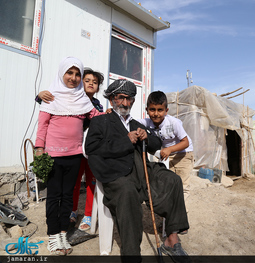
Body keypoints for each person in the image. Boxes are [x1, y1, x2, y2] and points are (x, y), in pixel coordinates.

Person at [85, 80, 190, 260]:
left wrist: (146, 137)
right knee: (128, 193)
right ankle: (132, 255)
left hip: (142, 170)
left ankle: (172, 239)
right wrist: (126, 140)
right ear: (112, 99)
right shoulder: (100, 121)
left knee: (173, 180)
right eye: (121, 98)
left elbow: (156, 144)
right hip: (117, 175)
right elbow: (92, 149)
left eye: (130, 99)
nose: (125, 103)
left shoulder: (135, 123)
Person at [34, 57, 103, 255]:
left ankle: (63, 232)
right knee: (53, 196)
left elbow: (97, 117)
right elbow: (43, 125)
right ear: (62, 74)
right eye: (69, 73)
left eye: (77, 74)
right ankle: (53, 235)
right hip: (53, 156)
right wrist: (39, 149)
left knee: (67, 196)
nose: (73, 78)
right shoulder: (50, 97)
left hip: (75, 156)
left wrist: (112, 114)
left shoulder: (82, 100)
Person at [139, 91, 194, 204]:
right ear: (147, 110)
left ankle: (181, 218)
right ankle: (169, 216)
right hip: (166, 156)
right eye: (152, 109)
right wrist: (112, 113)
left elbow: (185, 142)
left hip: (183, 155)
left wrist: (169, 149)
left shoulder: (173, 123)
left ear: (166, 111)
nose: (156, 114)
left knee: (182, 187)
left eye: (160, 110)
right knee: (169, 184)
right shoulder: (147, 122)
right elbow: (129, 121)